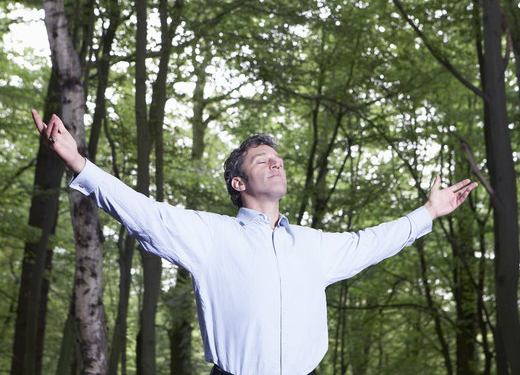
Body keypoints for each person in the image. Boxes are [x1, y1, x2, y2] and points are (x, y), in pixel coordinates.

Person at [31, 109, 477, 375]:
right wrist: (77, 162)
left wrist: (428, 213)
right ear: (239, 181)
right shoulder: (210, 236)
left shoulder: (313, 245)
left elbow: (371, 242)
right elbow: (146, 214)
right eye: (263, 160)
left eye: (279, 159)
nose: (276, 163)